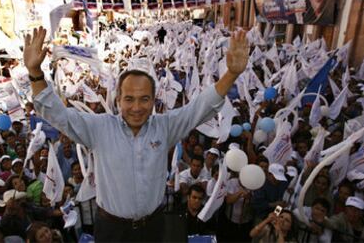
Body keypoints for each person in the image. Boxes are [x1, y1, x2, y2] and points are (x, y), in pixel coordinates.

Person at [23, 27, 248, 241]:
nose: (137, 107)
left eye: (144, 99)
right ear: (118, 99)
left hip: (153, 227)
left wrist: (232, 73)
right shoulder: (98, 128)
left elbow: (200, 107)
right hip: (112, 231)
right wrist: (35, 73)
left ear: (154, 100)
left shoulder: (165, 126)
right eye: (129, 99)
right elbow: (58, 115)